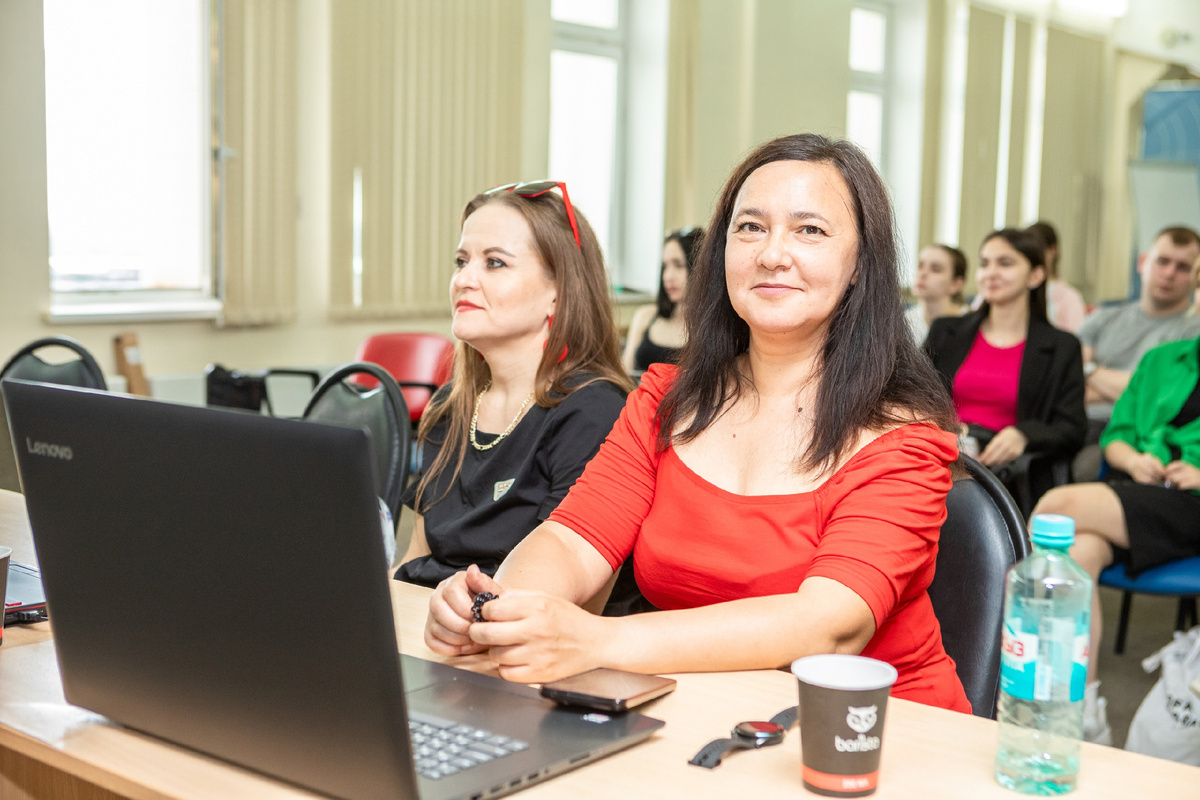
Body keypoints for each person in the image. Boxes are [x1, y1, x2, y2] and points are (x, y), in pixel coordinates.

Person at [423, 133, 972, 713]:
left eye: (809, 230)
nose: (771, 254)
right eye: (750, 227)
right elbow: (571, 539)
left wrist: (596, 638)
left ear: (861, 263)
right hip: (711, 712)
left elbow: (828, 627)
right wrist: (502, 608)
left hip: (876, 732)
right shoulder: (666, 400)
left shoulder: (903, 437)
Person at [394, 181, 634, 591]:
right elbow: (410, 568)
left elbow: (568, 603)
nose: (464, 280)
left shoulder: (593, 413)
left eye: (495, 263)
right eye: (461, 260)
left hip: (506, 637)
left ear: (557, 293)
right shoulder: (450, 405)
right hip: (425, 630)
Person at [1033, 334, 1200, 745]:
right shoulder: (1163, 357)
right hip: (1144, 491)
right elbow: (1117, 435)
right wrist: (1135, 460)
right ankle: (1083, 714)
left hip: (1193, 502)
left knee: (1058, 506)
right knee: (1076, 553)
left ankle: (1035, 685)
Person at [924, 228, 1087, 507]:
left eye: (1006, 263)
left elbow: (1072, 427)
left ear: (1036, 276)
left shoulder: (1062, 347)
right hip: (939, 457)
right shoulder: (946, 332)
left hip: (1007, 474)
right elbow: (909, 394)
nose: (991, 273)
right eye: (985, 263)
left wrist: (1024, 434)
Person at [1073, 226, 1200, 480]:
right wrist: (1115, 383)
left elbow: (1144, 394)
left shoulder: (1192, 334)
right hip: (1080, 419)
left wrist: (1090, 371)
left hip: (1141, 434)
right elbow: (1069, 384)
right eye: (1162, 261)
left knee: (1087, 465)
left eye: (1183, 267)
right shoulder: (1101, 319)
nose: (1169, 274)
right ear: (1143, 262)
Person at [621, 227, 704, 372]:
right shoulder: (645, 316)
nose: (668, 276)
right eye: (665, 267)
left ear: (699, 268)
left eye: (678, 265)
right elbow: (625, 372)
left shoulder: (710, 328)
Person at [1026, 221, 1086, 333]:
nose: (1033, 258)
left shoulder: (1070, 298)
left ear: (1053, 250)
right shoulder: (1018, 291)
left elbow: (1076, 340)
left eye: (1039, 251)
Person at [906, 243, 968, 344]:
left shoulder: (970, 325)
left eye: (936, 269)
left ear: (956, 284)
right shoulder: (903, 323)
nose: (922, 274)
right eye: (920, 266)